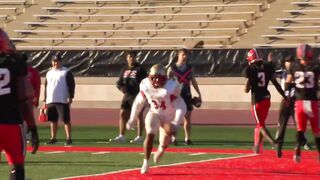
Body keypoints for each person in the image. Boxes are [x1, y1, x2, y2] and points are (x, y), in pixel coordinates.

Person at [126, 64, 187, 174]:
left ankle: (161, 149)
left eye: (160, 78)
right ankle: (146, 162)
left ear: (165, 78)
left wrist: (176, 121)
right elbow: (139, 102)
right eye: (154, 78)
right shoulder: (145, 84)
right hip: (154, 112)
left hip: (169, 115)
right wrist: (132, 118)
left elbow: (181, 104)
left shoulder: (172, 86)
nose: (156, 81)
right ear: (149, 77)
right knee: (149, 133)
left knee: (166, 138)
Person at [0, 28, 39, 179]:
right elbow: (25, 97)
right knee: (17, 169)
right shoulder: (15, 63)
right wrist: (33, 128)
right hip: (12, 125)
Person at [244, 48, 286, 154]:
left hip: (257, 100)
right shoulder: (268, 67)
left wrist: (249, 81)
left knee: (260, 125)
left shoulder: (250, 69)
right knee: (261, 124)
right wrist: (285, 96)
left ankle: (274, 143)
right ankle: (257, 147)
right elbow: (276, 84)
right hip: (267, 99)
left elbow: (246, 89)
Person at [285, 44, 320, 163]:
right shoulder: (315, 66)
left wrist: (288, 96)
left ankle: (297, 151)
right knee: (316, 131)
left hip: (299, 103)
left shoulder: (294, 66)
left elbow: (288, 83)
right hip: (312, 102)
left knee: (300, 129)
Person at [274, 55, 311, 158]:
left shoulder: (298, 72)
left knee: (299, 124)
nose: (288, 63)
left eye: (290, 61)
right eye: (287, 61)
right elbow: (273, 74)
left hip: (295, 101)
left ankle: (303, 142)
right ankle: (278, 146)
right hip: (285, 101)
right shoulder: (282, 72)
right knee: (282, 124)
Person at [109, 51, 147, 144]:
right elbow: (119, 82)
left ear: (135, 58)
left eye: (133, 57)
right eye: (129, 57)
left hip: (137, 95)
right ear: (126, 58)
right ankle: (122, 136)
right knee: (122, 114)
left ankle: (139, 137)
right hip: (127, 96)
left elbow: (146, 82)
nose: (131, 59)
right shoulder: (124, 70)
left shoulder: (140, 69)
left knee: (138, 115)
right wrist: (121, 87)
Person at [167, 48, 202, 145]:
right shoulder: (172, 68)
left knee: (187, 118)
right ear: (178, 55)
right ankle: (174, 138)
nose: (185, 56)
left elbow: (193, 81)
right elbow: (167, 82)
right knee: (176, 118)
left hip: (187, 95)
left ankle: (187, 138)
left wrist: (199, 93)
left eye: (186, 55)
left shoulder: (189, 68)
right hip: (176, 96)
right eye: (183, 54)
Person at [44, 54, 75, 145]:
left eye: (57, 61)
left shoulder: (66, 72)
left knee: (66, 120)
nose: (55, 63)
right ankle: (53, 138)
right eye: (54, 61)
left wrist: (70, 96)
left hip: (62, 99)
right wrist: (45, 99)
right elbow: (46, 86)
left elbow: (71, 85)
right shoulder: (48, 73)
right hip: (51, 99)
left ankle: (68, 138)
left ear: (60, 61)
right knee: (53, 120)